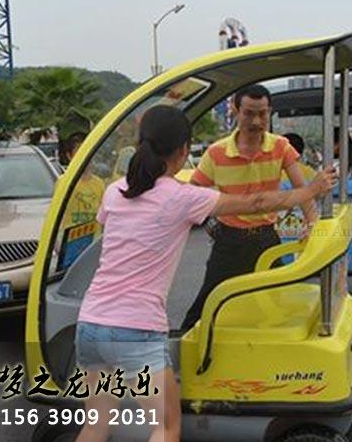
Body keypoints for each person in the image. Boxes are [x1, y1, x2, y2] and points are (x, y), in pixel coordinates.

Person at [74, 105, 336, 442]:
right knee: (165, 428)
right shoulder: (182, 197)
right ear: (184, 151)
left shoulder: (114, 192)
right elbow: (256, 203)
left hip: (91, 325)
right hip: (136, 329)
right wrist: (311, 191)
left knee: (96, 425)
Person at [181, 84, 319, 330]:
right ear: (235, 111)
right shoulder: (216, 153)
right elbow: (193, 194)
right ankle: (183, 345)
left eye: (262, 114)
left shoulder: (281, 147)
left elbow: (303, 190)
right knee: (206, 305)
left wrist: (312, 224)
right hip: (229, 240)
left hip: (266, 238)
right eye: (249, 113)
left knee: (276, 304)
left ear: (270, 112)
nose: (256, 121)